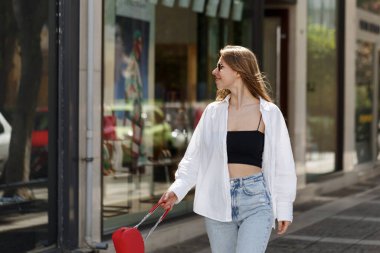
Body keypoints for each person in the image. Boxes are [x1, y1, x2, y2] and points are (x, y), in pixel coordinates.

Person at [158, 45, 297, 253]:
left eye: (220, 67)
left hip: (257, 201)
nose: (214, 72)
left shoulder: (269, 113)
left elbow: (284, 164)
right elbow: (194, 158)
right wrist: (177, 190)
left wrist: (284, 207)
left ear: (238, 71)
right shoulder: (213, 112)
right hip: (217, 200)